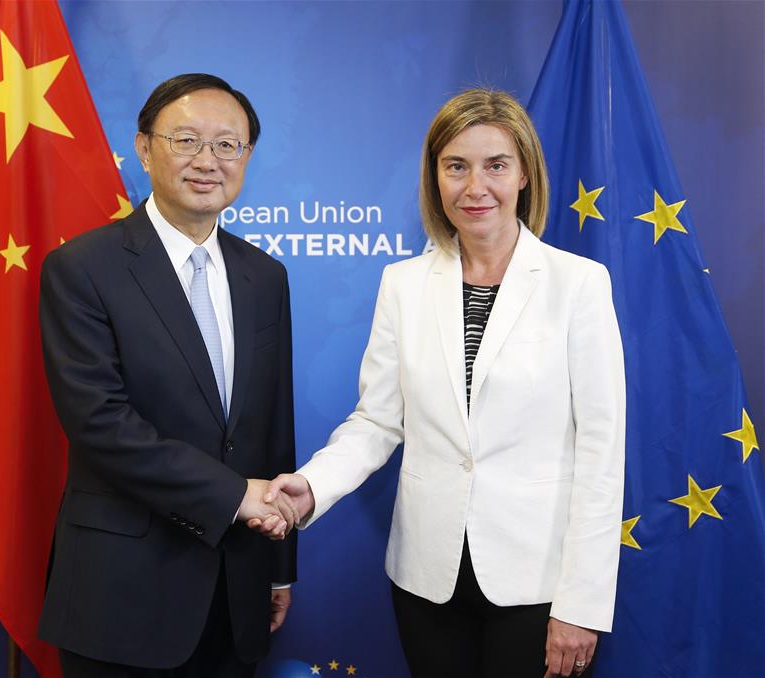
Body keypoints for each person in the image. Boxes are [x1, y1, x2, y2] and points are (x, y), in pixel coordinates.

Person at [254, 89, 625, 677]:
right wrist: (310, 487)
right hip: (428, 576)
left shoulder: (578, 284)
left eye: (495, 165)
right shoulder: (403, 284)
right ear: (435, 176)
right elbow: (377, 420)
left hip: (538, 581)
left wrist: (582, 602)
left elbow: (602, 455)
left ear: (524, 173)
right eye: (456, 166)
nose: (475, 187)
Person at [37, 73, 298, 678]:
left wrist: (279, 563)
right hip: (122, 596)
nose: (208, 161)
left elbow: (270, 429)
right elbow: (100, 424)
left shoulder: (265, 277)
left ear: (247, 158)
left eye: (227, 145)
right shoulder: (81, 268)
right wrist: (236, 496)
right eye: (186, 140)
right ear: (145, 148)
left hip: (237, 592)